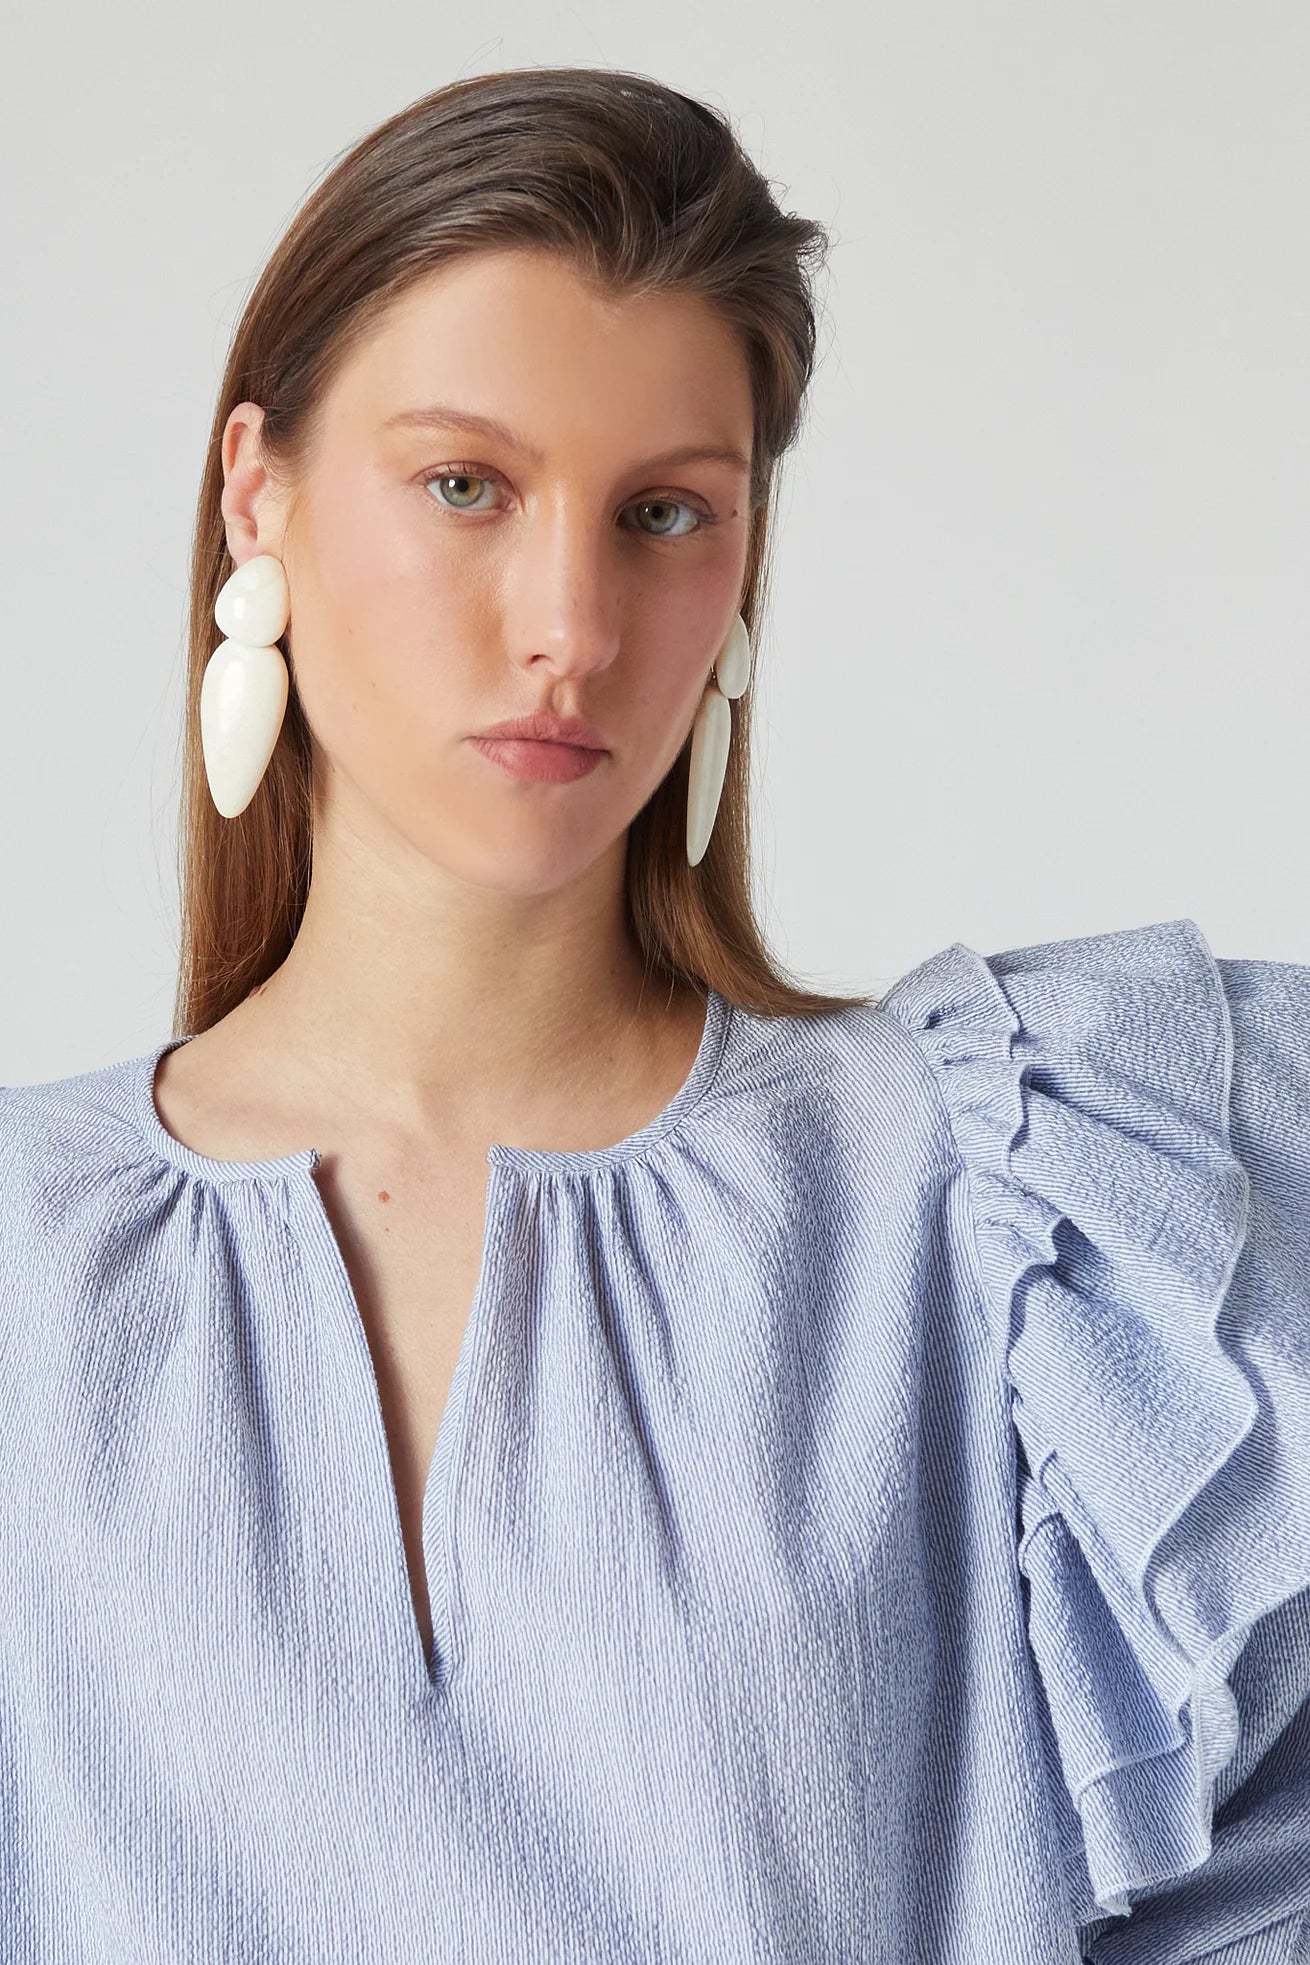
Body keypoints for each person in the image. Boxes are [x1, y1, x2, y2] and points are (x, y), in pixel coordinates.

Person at [2, 66, 1307, 1965]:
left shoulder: (1015, 1212)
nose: (574, 624)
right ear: (254, 490)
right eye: (466, 485)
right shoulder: (23, 1264)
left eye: (666, 513)